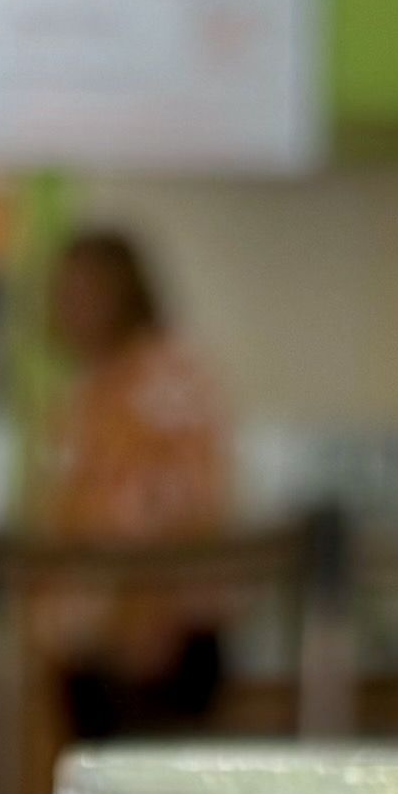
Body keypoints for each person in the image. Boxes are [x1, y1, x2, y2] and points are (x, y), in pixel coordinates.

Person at [35, 226, 233, 739]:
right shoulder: (87, 388)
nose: (66, 306)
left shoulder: (165, 381)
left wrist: (143, 621)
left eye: (82, 291)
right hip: (92, 646)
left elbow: (185, 511)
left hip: (149, 652)